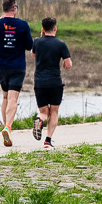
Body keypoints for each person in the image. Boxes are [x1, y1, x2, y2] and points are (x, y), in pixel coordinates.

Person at [0, 0, 34, 148]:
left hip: (1, 66)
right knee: (13, 99)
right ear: (14, 8)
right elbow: (29, 45)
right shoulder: (23, 24)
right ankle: (7, 128)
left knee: (5, 97)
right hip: (17, 66)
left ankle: (6, 129)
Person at [31, 17, 71, 146]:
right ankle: (47, 141)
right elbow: (68, 64)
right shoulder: (60, 44)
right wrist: (64, 63)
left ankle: (39, 119)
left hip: (39, 82)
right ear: (55, 28)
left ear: (42, 29)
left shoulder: (37, 42)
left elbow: (33, 54)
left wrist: (40, 37)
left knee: (44, 112)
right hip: (55, 82)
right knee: (54, 111)